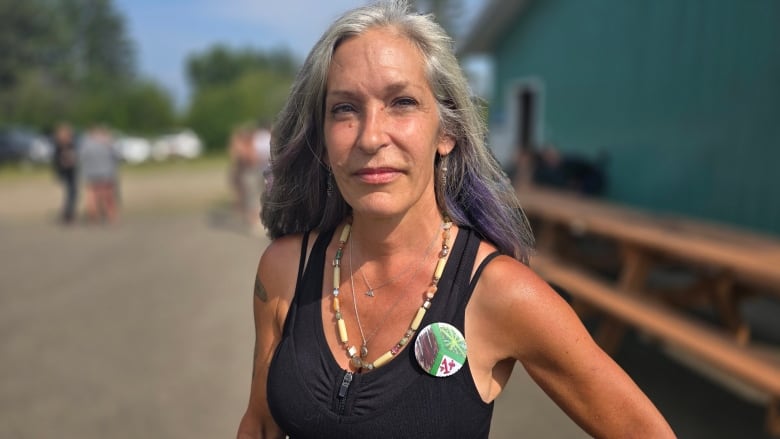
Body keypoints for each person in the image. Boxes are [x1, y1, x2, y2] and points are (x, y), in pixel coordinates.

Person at [236, 1, 675, 438]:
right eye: (345, 109)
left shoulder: (501, 293)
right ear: (323, 136)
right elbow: (260, 424)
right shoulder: (283, 272)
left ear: (447, 132)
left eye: (402, 102)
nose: (370, 136)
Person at [78, 125, 120, 224]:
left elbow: (81, 157)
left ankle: (94, 217)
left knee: (93, 196)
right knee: (108, 196)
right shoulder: (108, 142)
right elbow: (117, 155)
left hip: (91, 174)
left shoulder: (86, 143)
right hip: (106, 173)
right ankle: (111, 216)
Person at [51, 122, 79, 224]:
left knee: (71, 193)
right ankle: (68, 214)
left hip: (69, 171)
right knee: (71, 193)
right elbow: (62, 160)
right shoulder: (62, 145)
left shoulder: (64, 144)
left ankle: (68, 213)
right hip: (67, 172)